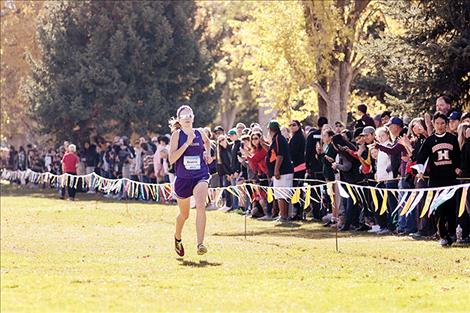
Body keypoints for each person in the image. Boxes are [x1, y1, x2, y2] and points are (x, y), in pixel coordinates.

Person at [169, 105, 211, 256]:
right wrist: (187, 143)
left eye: (189, 115)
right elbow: (172, 159)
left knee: (200, 205)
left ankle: (200, 244)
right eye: (184, 116)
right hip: (183, 179)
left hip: (200, 175)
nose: (187, 118)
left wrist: (207, 154)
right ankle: (177, 237)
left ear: (193, 117)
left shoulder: (200, 133)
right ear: (179, 120)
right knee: (184, 215)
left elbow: (208, 143)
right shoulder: (177, 135)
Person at [416, 112, 461, 247]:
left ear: (446, 124)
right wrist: (420, 171)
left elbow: (458, 156)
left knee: (451, 208)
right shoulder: (429, 141)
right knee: (439, 209)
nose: (440, 126)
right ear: (433, 124)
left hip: (450, 179)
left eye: (442, 123)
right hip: (436, 180)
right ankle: (442, 235)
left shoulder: (452, 139)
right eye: (437, 123)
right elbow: (420, 158)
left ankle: (452, 233)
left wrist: (458, 167)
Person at [266, 120, 294, 225]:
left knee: (281, 194)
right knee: (281, 194)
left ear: (270, 130)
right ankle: (284, 215)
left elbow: (280, 155)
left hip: (283, 171)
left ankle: (284, 216)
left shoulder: (278, 139)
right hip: (283, 171)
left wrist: (276, 170)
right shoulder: (277, 139)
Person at [289, 120, 306, 220]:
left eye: (294, 125)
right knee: (296, 190)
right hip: (295, 167)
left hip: (299, 167)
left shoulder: (298, 137)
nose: (292, 127)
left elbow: (293, 153)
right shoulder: (294, 136)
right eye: (290, 125)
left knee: (297, 190)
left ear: (299, 126)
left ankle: (298, 213)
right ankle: (297, 212)